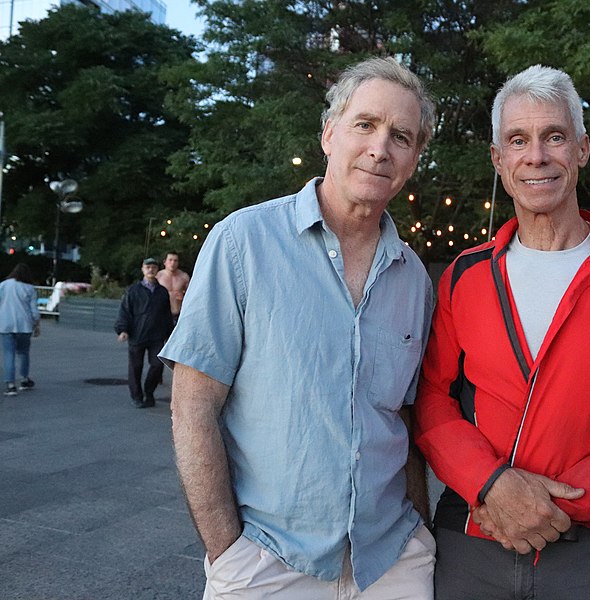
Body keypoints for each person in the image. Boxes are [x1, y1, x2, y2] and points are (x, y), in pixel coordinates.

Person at [159, 57, 437, 599]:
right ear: (330, 133)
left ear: (414, 158)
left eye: (401, 136)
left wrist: (421, 530)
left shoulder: (414, 279)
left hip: (391, 562)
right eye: (365, 124)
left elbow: (402, 418)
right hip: (269, 562)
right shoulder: (242, 242)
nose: (381, 147)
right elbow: (192, 405)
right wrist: (227, 552)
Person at [414, 65, 590, 599]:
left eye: (554, 136)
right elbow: (431, 399)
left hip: (587, 543)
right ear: (499, 159)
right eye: (518, 140)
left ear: (582, 149)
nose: (536, 155)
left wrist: (555, 506)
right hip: (472, 534)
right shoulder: (465, 276)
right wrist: (492, 486)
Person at [115, 257, 172, 408]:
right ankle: (137, 396)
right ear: (143, 269)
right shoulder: (133, 291)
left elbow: (167, 314)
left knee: (157, 365)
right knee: (135, 367)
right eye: (148, 267)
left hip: (156, 336)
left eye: (153, 267)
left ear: (157, 270)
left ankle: (149, 391)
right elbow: (125, 311)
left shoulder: (162, 292)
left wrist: (170, 334)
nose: (150, 270)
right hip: (137, 334)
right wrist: (123, 330)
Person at [0, 263, 40, 395]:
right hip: (24, 326)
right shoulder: (30, 288)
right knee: (23, 353)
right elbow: (34, 310)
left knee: (9, 354)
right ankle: (25, 379)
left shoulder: (4, 285)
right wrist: (37, 325)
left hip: (5, 325)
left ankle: (10, 385)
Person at [156, 251, 190, 324]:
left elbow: (191, 296)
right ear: (165, 262)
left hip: (179, 313)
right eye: (170, 260)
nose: (173, 263)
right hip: (161, 314)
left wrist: (184, 296)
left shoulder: (184, 277)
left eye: (175, 260)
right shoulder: (158, 276)